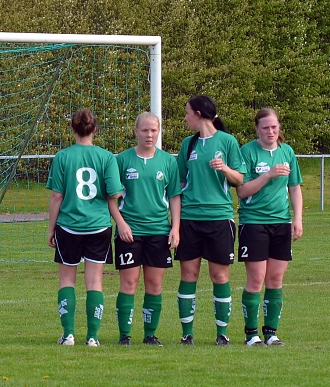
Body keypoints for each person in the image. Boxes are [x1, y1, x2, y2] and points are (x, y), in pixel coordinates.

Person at [47, 108, 124, 346]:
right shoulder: (106, 157)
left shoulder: (62, 157)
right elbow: (115, 193)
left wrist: (51, 228)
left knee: (66, 280)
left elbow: (57, 196)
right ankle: (92, 337)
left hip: (68, 225)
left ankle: (68, 334)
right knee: (94, 282)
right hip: (98, 226)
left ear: (72, 129)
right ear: (95, 130)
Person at [174, 96, 244, 345]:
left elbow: (240, 179)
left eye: (187, 113)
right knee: (188, 275)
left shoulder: (227, 141)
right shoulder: (188, 144)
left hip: (219, 218)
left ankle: (222, 334)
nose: (185, 118)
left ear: (199, 114)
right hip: (190, 219)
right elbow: (180, 182)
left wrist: (224, 168)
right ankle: (187, 334)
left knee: (220, 277)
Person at [110, 112, 181, 346]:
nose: (149, 135)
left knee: (155, 285)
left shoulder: (168, 161)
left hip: (159, 231)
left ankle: (150, 334)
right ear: (136, 131)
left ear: (159, 132)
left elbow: (174, 197)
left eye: (153, 130)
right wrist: (121, 223)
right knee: (129, 284)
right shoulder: (122, 160)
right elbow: (111, 197)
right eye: (145, 130)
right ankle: (125, 335)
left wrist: (175, 228)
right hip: (130, 233)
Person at [236, 108, 303, 346]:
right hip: (254, 222)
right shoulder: (247, 152)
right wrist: (268, 175)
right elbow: (242, 191)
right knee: (256, 279)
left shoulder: (287, 152)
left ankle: (271, 333)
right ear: (257, 129)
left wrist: (297, 218)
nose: (270, 131)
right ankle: (251, 334)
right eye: (265, 127)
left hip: (281, 223)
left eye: (274, 127)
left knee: (275, 279)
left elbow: (294, 187)